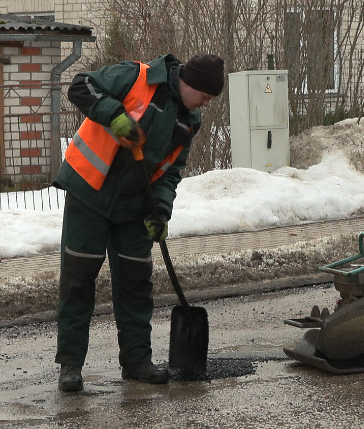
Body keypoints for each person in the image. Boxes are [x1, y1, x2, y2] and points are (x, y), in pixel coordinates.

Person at [52, 53, 225, 392]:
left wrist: (160, 211)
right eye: (205, 95)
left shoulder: (189, 120)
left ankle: (136, 362)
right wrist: (114, 115)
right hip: (89, 192)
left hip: (135, 207)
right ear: (188, 83)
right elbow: (80, 86)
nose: (206, 103)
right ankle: (70, 366)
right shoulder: (136, 78)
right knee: (78, 280)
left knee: (136, 285)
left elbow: (171, 171)